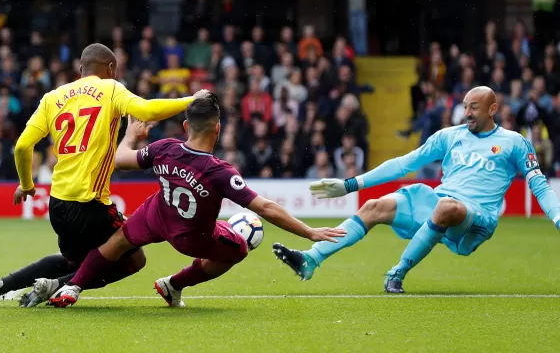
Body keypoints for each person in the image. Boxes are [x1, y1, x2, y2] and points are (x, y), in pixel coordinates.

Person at [46, 93, 346, 308]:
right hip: (191, 235)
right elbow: (265, 207)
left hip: (155, 215)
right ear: (218, 129)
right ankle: (173, 285)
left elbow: (121, 159)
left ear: (187, 127)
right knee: (238, 248)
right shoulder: (220, 172)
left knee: (117, 243)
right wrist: (309, 232)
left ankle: (73, 288)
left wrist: (131, 134)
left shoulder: (164, 147)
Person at [0, 43, 201, 308]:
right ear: (110, 68)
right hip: (90, 204)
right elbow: (145, 111)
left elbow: (21, 146)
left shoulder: (52, 97)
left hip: (58, 204)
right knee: (134, 258)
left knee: (75, 261)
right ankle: (60, 285)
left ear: (80, 68)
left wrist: (27, 184)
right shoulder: (111, 89)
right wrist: (192, 100)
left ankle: (0, 285)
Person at [274, 86, 560, 293]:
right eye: (464, 105)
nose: (467, 112)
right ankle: (311, 259)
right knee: (374, 206)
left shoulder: (514, 142)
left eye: (474, 107)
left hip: (477, 219)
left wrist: (557, 217)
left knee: (447, 207)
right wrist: (351, 184)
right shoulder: (450, 136)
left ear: (492, 109)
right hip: (439, 202)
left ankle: (397, 273)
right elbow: (403, 164)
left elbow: (539, 185)